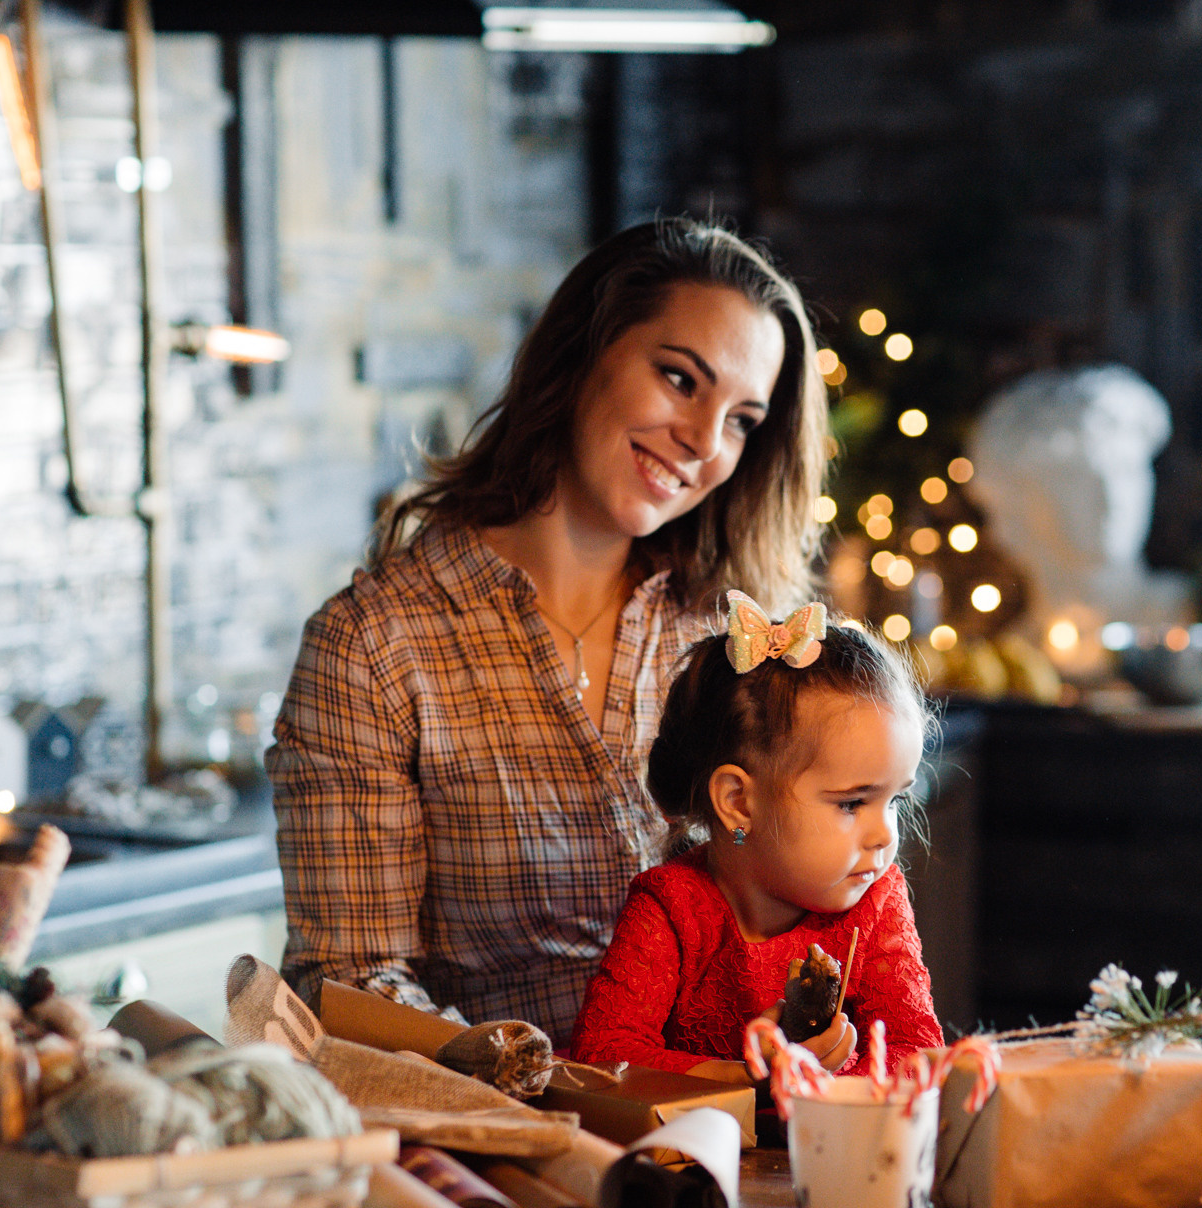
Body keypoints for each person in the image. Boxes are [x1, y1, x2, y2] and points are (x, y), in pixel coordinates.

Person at [268, 219, 828, 1045]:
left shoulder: (736, 636)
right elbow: (347, 983)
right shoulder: (376, 644)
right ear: (579, 354)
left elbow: (818, 899)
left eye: (743, 420)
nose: (705, 442)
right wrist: (532, 1076)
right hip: (502, 1120)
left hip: (741, 1109)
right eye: (679, 379)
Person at [567, 597, 944, 1082]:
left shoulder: (876, 901)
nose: (885, 835)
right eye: (852, 804)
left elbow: (918, 1055)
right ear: (739, 802)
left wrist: (829, 1073)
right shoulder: (672, 907)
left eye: (894, 800)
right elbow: (603, 1053)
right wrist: (750, 1077)